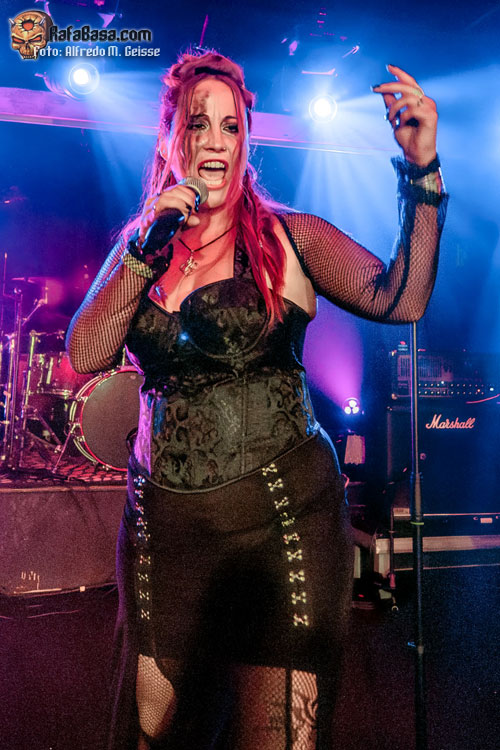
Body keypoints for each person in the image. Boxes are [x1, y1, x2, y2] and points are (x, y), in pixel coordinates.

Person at [66, 50, 447, 750]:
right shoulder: (141, 246)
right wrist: (144, 249)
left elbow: (402, 297)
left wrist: (421, 170)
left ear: (246, 140)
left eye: (231, 126)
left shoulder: (288, 238)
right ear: (169, 139)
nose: (215, 140)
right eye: (197, 124)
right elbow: (87, 353)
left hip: (281, 531)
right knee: (154, 734)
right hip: (163, 539)